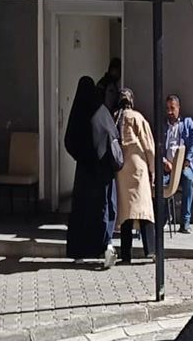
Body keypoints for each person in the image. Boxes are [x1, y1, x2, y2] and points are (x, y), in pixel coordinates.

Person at [65, 76, 121, 268]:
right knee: (104, 207)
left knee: (82, 210)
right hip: (102, 171)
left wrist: (82, 157)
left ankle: (79, 252)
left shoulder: (77, 114)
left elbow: (69, 142)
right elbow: (114, 135)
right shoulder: (101, 111)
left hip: (83, 171)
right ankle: (105, 246)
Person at [114, 88, 155, 264]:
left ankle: (126, 254)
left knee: (126, 213)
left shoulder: (115, 117)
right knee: (143, 210)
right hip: (138, 168)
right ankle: (150, 250)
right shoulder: (137, 117)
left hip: (121, 169)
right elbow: (148, 145)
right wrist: (153, 169)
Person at [163, 95, 193, 234]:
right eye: (167, 108)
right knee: (160, 183)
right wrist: (164, 162)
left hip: (184, 166)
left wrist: (188, 158)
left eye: (172, 108)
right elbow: (156, 146)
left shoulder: (187, 123)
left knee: (188, 179)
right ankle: (164, 218)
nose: (169, 112)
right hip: (167, 167)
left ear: (178, 108)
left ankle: (185, 222)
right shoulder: (163, 126)